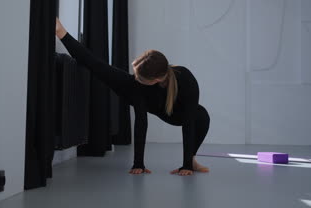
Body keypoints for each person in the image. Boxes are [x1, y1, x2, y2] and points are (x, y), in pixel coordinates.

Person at [55, 18, 210, 176]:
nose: (136, 79)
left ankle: (191, 161)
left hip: (178, 114)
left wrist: (186, 166)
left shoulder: (185, 79)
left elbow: (188, 123)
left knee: (202, 115)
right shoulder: (135, 85)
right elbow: (141, 122)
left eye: (140, 78)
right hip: (145, 98)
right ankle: (60, 32)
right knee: (100, 68)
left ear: (156, 80)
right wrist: (138, 164)